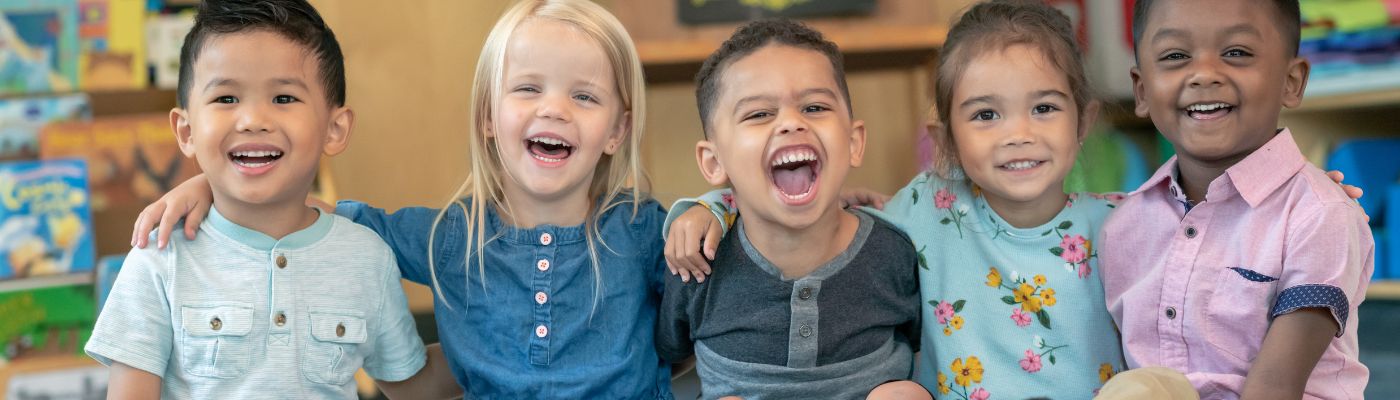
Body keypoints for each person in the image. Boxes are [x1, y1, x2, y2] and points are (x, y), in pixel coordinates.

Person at [127, 0, 684, 397]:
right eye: (528, 88)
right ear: (488, 116)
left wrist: (710, 207)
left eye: (583, 95)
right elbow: (303, 209)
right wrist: (206, 181)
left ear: (617, 130)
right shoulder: (449, 236)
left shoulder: (641, 230)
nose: (554, 109)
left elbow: (723, 286)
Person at [87, 0, 427, 398]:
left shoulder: (368, 257)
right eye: (226, 98)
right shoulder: (160, 259)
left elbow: (412, 387)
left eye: (284, 98)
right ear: (186, 131)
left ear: (334, 129)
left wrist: (506, 340)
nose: (252, 119)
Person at [1099, 0, 1373, 397]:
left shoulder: (1319, 214)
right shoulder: (1121, 225)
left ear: (1291, 81)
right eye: (1176, 55)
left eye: (1236, 53)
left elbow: (1276, 386)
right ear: (1142, 90)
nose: (1204, 74)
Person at [652, 18, 925, 400]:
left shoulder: (894, 251)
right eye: (759, 114)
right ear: (714, 162)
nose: (791, 123)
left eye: (814, 107)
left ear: (853, 142)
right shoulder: (696, 261)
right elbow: (670, 354)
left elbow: (924, 343)